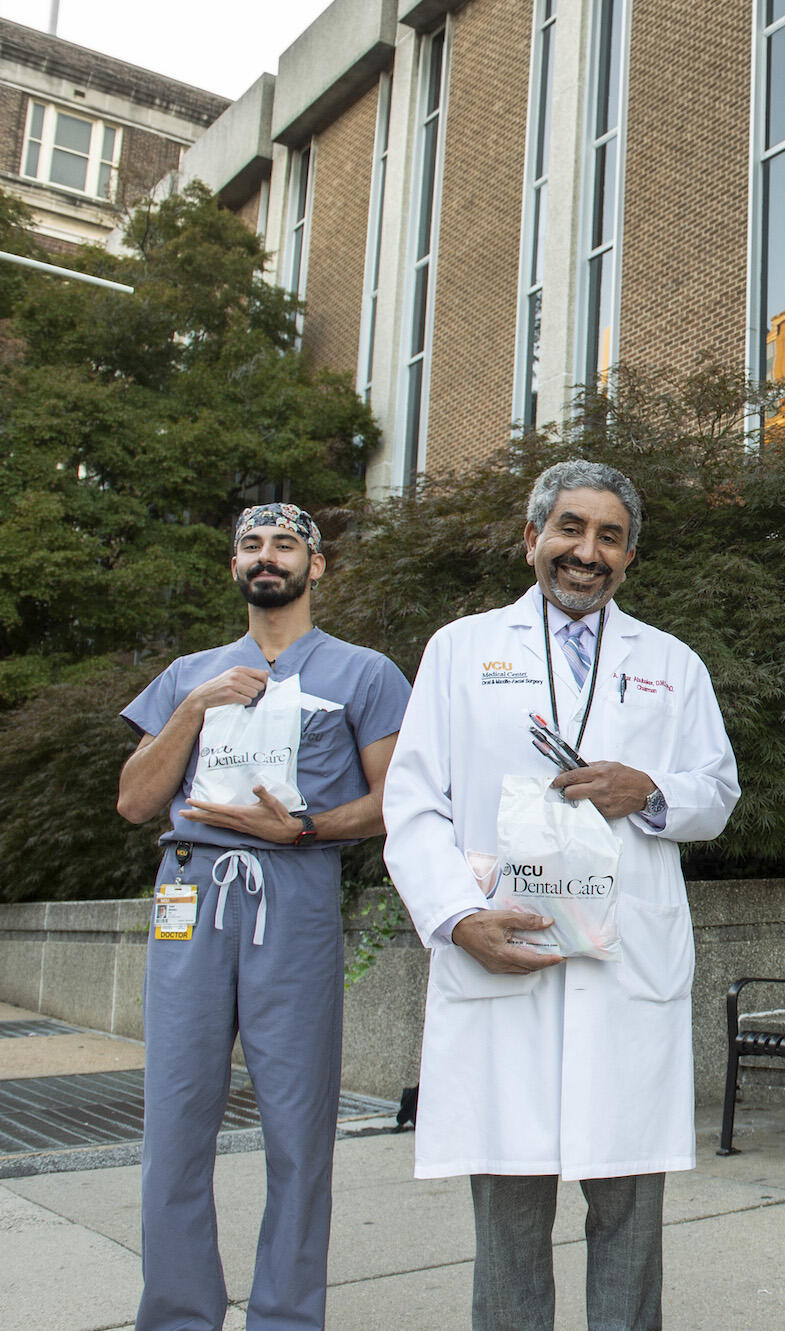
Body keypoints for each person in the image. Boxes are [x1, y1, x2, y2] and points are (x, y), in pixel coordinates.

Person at [384, 460, 739, 1331]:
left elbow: (717, 791)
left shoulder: (672, 663)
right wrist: (457, 918)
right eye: (570, 529)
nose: (587, 551)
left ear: (630, 557)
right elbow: (412, 801)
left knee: (627, 1213)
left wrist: (648, 790)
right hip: (506, 953)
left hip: (624, 970)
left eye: (609, 536)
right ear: (531, 538)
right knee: (508, 1214)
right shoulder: (461, 650)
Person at [116, 502, 411, 1331]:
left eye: (287, 544)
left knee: (297, 1124)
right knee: (175, 1121)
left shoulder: (364, 673)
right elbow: (136, 800)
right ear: (235, 565)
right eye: (252, 543)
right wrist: (194, 706)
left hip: (295, 887)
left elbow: (394, 802)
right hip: (190, 892)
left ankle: (285, 1316)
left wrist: (306, 826)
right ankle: (176, 1314)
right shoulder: (188, 673)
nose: (267, 555)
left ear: (317, 566)